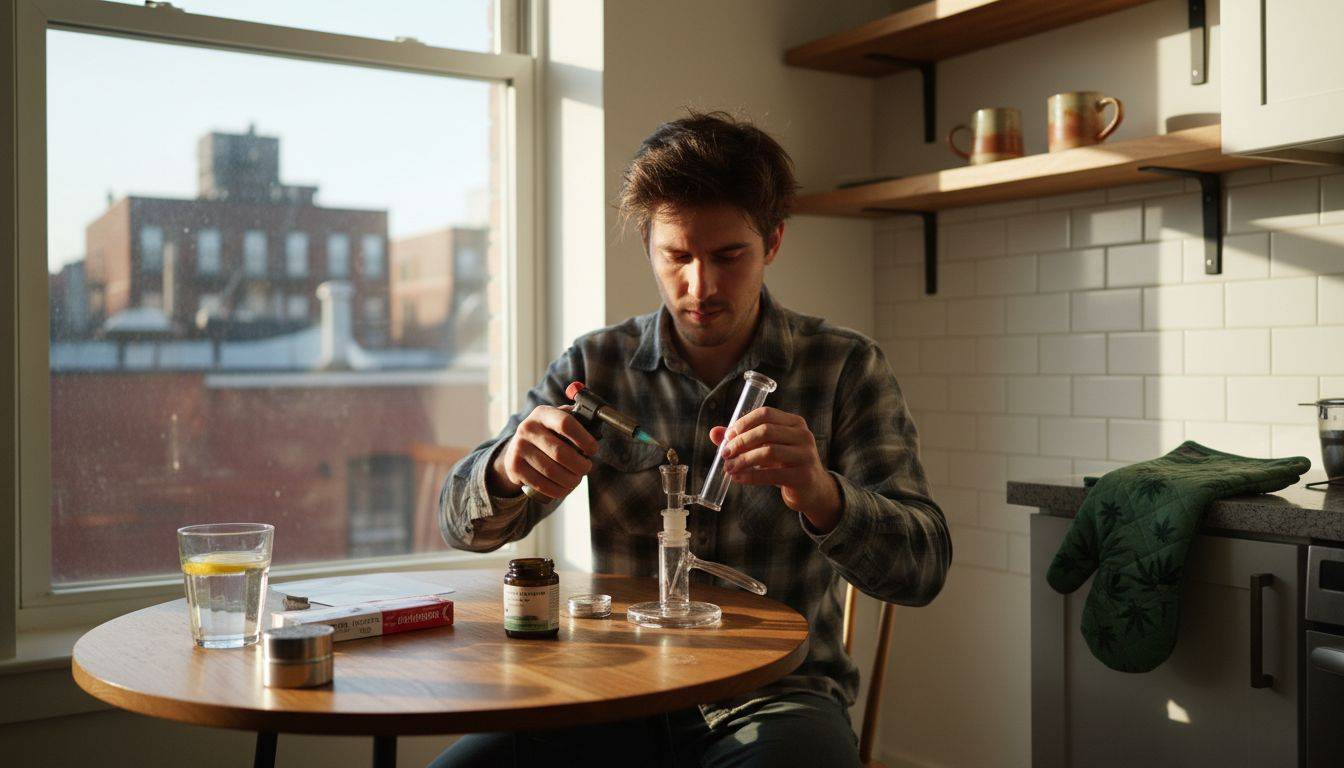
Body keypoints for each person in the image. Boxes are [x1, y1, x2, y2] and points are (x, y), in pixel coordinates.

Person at [433, 109, 951, 768]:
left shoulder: (844, 366)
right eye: (676, 256)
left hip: (777, 695)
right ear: (648, 245)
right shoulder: (596, 367)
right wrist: (507, 469)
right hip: (612, 692)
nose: (699, 287)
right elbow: (460, 526)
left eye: (728, 256)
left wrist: (825, 496)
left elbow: (924, 570)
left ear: (773, 243)